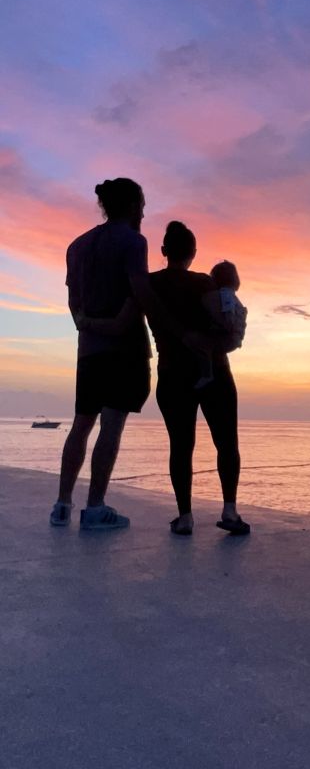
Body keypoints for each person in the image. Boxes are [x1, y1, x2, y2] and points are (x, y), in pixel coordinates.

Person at [51, 178, 151, 530]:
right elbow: (140, 292)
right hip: (121, 350)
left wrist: (87, 323)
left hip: (89, 352)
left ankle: (62, 504)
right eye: (141, 204)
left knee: (81, 423)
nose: (144, 211)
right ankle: (95, 506)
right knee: (111, 425)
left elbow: (73, 303)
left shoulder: (77, 246)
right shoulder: (134, 241)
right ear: (130, 206)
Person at [149, 221, 249, 536]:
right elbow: (226, 324)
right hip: (215, 372)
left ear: (163, 251)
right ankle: (230, 511)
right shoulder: (205, 284)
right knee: (226, 443)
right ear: (194, 253)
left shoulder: (149, 285)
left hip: (172, 375)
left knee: (181, 447)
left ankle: (186, 516)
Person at [195, 260, 247, 389]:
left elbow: (228, 312)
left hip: (228, 335)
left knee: (202, 346)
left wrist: (225, 326)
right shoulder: (231, 295)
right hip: (234, 337)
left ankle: (207, 375)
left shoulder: (225, 294)